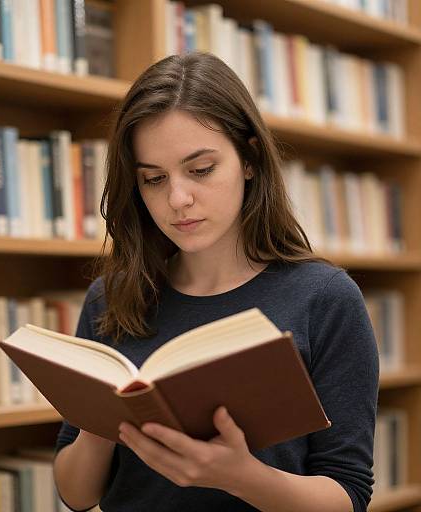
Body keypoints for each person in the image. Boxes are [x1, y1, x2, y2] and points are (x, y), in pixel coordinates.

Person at [53, 51, 379, 512]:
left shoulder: (324, 299)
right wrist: (102, 418)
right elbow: (75, 493)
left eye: (201, 170)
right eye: (153, 179)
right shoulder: (112, 298)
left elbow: (348, 493)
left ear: (248, 159)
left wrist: (242, 478)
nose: (178, 199)